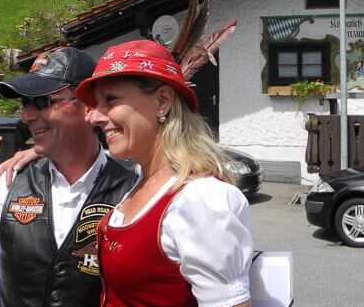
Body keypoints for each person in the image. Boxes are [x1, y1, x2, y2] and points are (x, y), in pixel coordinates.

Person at [74, 39, 254, 307]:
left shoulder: (200, 200)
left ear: (162, 100)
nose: (94, 117)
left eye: (110, 99)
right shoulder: (142, 180)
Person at [0, 47, 137, 307]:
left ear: (87, 104)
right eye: (24, 103)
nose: (26, 116)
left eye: (41, 102)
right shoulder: (10, 182)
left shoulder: (134, 191)